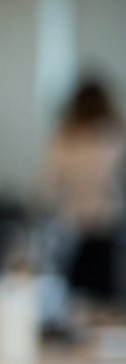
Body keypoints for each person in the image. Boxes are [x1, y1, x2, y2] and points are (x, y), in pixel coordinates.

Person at [46, 78, 126, 301]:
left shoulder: (65, 138)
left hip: (73, 225)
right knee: (106, 295)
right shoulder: (114, 136)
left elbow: (51, 183)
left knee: (75, 296)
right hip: (105, 223)